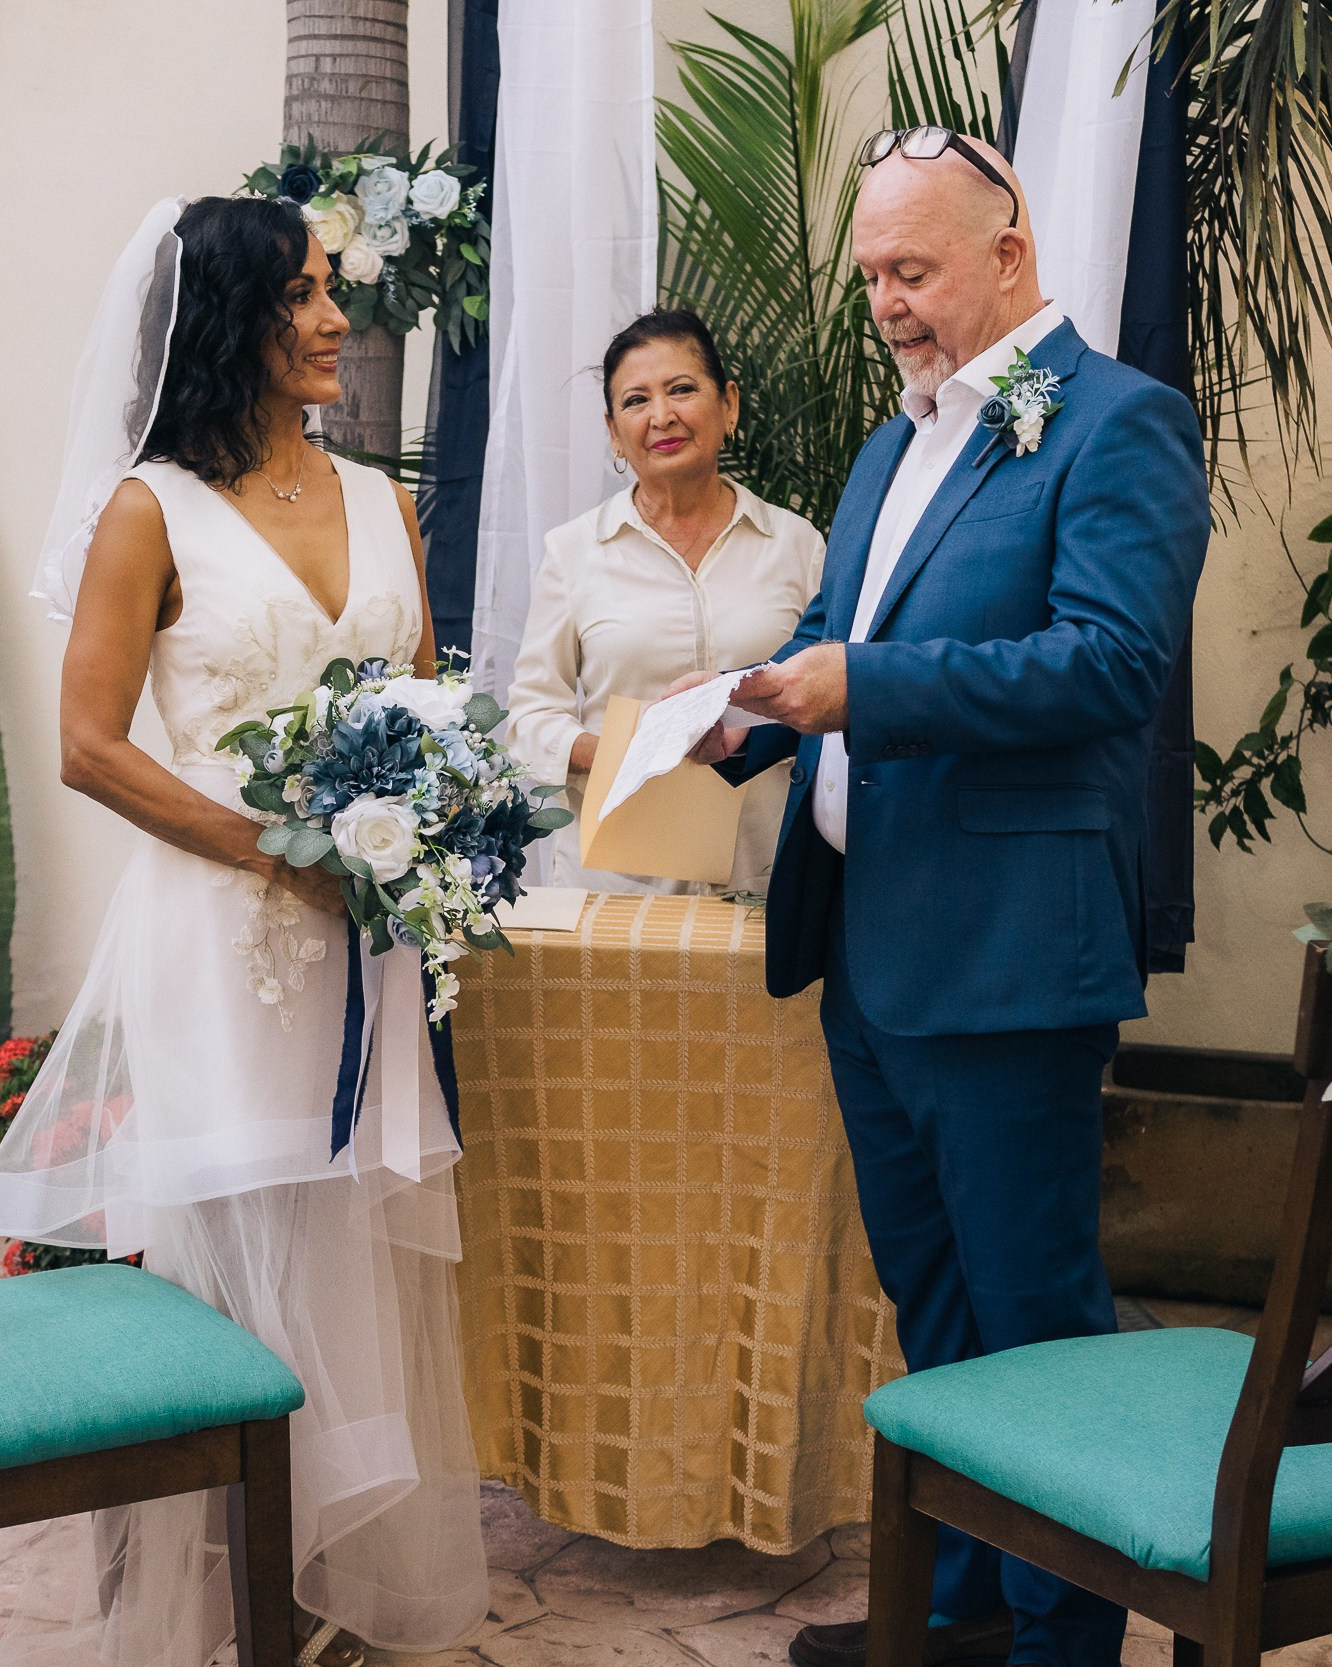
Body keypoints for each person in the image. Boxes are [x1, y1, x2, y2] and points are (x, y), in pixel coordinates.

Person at [685, 130, 1208, 1667]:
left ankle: (1061, 1641)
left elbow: (1114, 664)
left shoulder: (1121, 422)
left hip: (1005, 954)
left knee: (1035, 1311)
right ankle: (965, 1603)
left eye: (913, 270)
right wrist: (749, 708)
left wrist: (865, 685)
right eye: (871, 277)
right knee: (937, 1302)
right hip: (868, 940)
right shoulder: (892, 441)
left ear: (1012, 247)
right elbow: (841, 631)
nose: (888, 304)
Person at [0, 196, 488, 1667]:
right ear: (227, 324)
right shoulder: (149, 509)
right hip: (223, 937)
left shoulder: (385, 496)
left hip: (368, 946)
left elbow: (424, 709)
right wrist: (277, 848)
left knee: (345, 1241)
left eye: (335, 291)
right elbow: (89, 743)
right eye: (304, 297)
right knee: (233, 1246)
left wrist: (427, 831)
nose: (338, 320)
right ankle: (214, 1595)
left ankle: (328, 1595)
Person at [505, 309, 824, 892]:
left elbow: (831, 692)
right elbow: (530, 720)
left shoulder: (797, 544)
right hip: (617, 881)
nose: (662, 416)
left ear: (727, 404)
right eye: (635, 401)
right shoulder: (576, 552)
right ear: (612, 431)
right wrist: (625, 755)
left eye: (682, 389)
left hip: (765, 875)